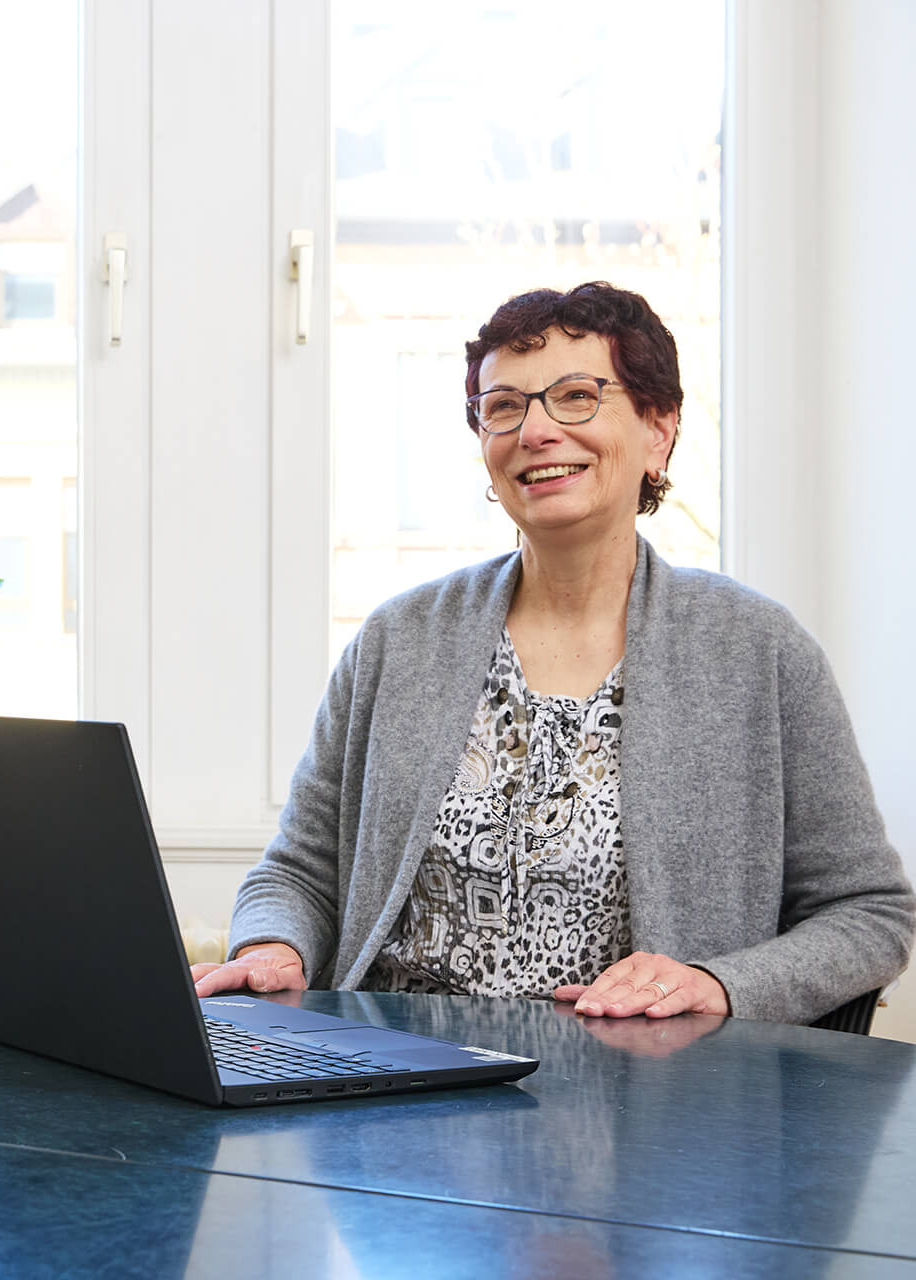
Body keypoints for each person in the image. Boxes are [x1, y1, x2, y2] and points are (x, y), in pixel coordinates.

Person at [194, 281, 912, 1024]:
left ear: (658, 430)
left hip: (648, 1105)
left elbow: (868, 913)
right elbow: (300, 872)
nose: (534, 430)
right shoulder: (397, 640)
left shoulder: (760, 653)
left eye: (575, 395)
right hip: (390, 1089)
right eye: (503, 406)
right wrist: (272, 947)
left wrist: (718, 984)